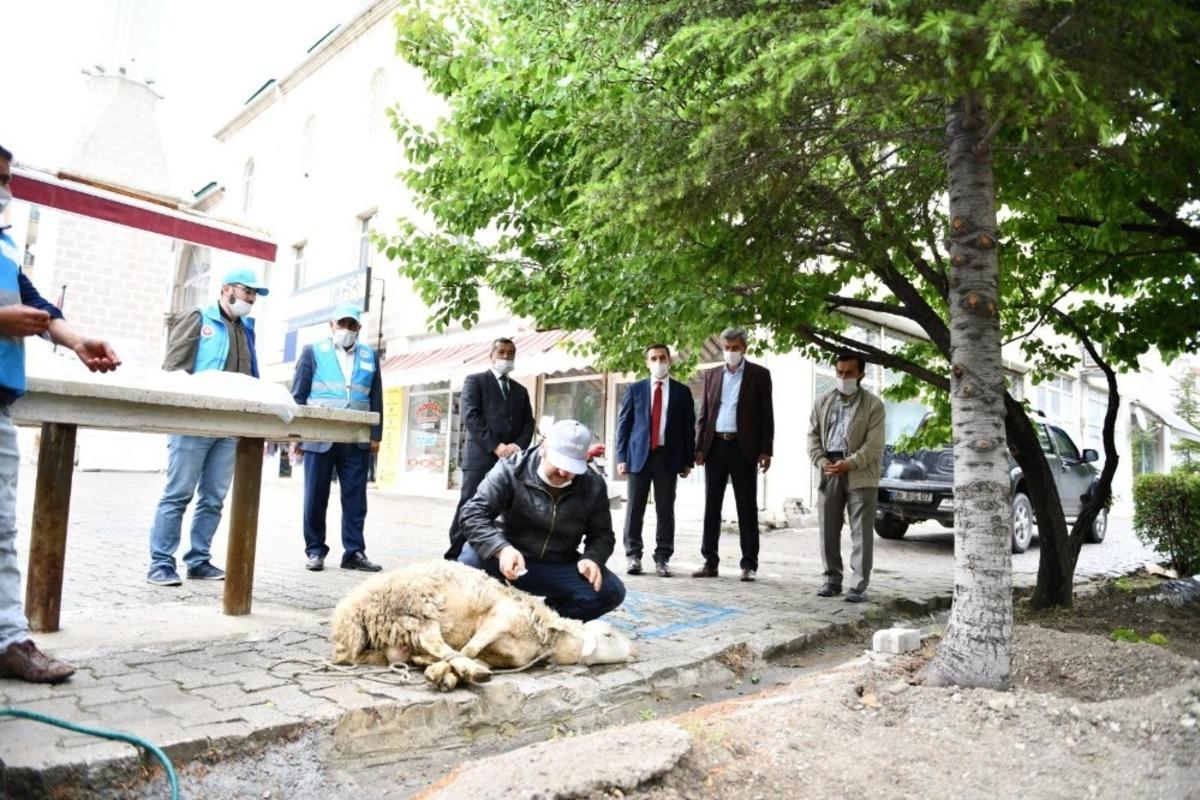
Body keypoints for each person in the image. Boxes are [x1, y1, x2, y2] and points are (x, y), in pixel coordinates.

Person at [0, 144, 121, 682]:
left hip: (1, 398)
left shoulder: (4, 249)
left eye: (7, 180)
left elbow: (40, 307)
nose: (5, 191)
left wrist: (76, 340)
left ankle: (7, 640)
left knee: (1, 528)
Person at [146, 266, 266, 586]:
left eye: (254, 294)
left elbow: (251, 378)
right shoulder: (199, 318)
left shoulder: (245, 329)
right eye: (247, 291)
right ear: (227, 288)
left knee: (213, 498)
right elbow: (173, 368)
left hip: (228, 427)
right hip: (192, 422)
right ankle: (160, 563)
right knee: (178, 493)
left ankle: (199, 560)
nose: (251, 298)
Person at [458, 419, 625, 621]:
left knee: (610, 591)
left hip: (557, 563)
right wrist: (501, 549)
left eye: (573, 467)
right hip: (509, 556)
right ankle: (484, 615)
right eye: (560, 463)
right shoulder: (510, 470)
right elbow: (472, 514)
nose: (564, 473)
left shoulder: (593, 485)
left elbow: (602, 535)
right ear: (544, 448)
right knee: (469, 561)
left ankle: (546, 621)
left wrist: (592, 558)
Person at [292, 303, 384, 572]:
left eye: (351, 325)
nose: (346, 329)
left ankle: (354, 552)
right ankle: (315, 550)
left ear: (359, 328)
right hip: (319, 436)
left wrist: (375, 435)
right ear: (331, 325)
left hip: (355, 438)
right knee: (315, 497)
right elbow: (299, 395)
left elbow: (376, 395)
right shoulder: (312, 351)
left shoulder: (369, 355)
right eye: (341, 324)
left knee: (356, 499)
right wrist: (297, 435)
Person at [693, 327, 774, 581]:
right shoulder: (711, 375)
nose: (730, 352)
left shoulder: (759, 375)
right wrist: (699, 447)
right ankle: (710, 562)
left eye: (735, 348)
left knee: (746, 507)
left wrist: (766, 449)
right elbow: (704, 413)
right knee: (711, 506)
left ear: (744, 348)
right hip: (715, 446)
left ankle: (749, 564)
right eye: (726, 348)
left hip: (744, 448)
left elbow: (766, 415)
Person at [445, 337, 534, 560]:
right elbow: (472, 416)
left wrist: (516, 446)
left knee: (506, 507)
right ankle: (455, 553)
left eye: (510, 353)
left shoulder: (520, 391)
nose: (506, 357)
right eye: (501, 352)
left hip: (511, 460)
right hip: (481, 457)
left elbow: (528, 423)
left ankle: (495, 554)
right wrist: (496, 446)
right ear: (491, 356)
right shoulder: (475, 381)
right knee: (469, 504)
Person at [807, 351, 886, 603]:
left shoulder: (874, 405)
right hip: (829, 467)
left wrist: (849, 463)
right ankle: (832, 579)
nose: (843, 377)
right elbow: (812, 436)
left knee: (861, 531)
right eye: (839, 373)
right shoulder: (822, 401)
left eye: (849, 373)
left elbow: (874, 445)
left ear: (861, 374)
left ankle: (858, 585)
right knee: (827, 527)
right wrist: (822, 461)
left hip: (860, 472)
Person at [616, 344, 695, 577]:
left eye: (662, 357)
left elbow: (687, 429)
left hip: (667, 458)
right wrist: (621, 457)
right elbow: (624, 426)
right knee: (634, 508)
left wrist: (687, 460)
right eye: (654, 358)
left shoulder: (682, 392)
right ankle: (633, 556)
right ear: (647, 362)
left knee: (665, 509)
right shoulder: (636, 389)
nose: (658, 362)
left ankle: (662, 558)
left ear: (669, 360)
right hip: (638, 456)